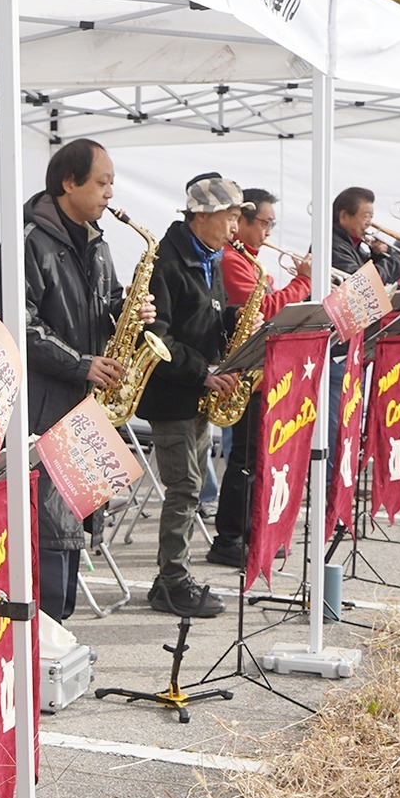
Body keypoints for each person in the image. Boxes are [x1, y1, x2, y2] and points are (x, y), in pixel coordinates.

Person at [19, 138, 147, 623]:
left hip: (83, 400)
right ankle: (44, 633)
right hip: (46, 403)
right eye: (102, 181)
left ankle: (58, 629)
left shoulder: (97, 241)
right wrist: (81, 364)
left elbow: (106, 303)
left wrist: (130, 312)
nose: (110, 192)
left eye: (112, 182)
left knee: (75, 518)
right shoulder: (30, 240)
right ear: (68, 183)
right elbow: (20, 325)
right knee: (51, 525)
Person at [136, 175, 244, 617]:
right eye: (230, 217)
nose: (235, 227)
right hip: (173, 392)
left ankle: (175, 575)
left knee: (193, 486)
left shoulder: (209, 255)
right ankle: (171, 581)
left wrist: (237, 320)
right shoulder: (166, 261)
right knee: (184, 489)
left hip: (197, 387)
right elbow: (156, 339)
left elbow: (206, 315)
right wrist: (204, 372)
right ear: (202, 216)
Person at [208, 188, 309, 567]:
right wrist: (302, 282)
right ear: (243, 222)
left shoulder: (251, 260)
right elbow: (265, 308)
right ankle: (229, 537)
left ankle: (251, 530)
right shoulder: (233, 260)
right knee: (243, 459)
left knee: (256, 457)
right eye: (264, 223)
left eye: (271, 224)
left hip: (263, 371)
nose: (268, 232)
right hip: (244, 371)